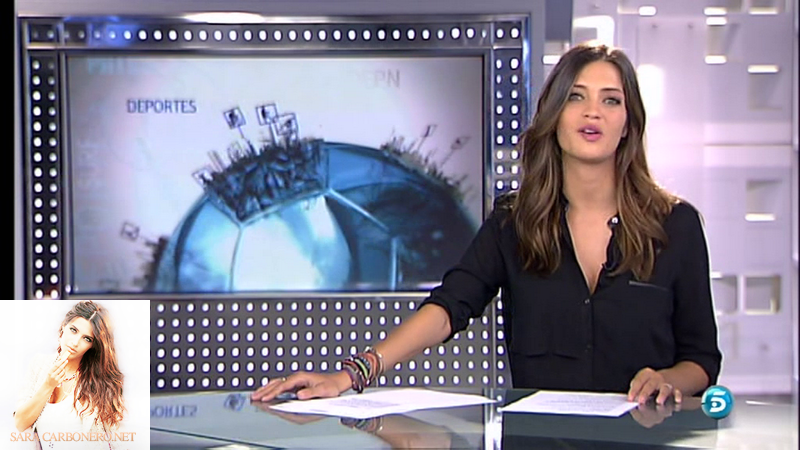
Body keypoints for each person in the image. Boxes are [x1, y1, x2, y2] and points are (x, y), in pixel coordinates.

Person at [251, 42, 722, 407]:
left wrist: (668, 380)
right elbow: (449, 307)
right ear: (554, 116)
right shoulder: (515, 223)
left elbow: (701, 359)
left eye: (611, 100)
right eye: (576, 97)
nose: (592, 112)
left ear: (629, 123)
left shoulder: (675, 225)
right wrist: (351, 375)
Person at [13, 300, 125, 449]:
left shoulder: (100, 381)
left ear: (93, 346)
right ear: (63, 326)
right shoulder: (39, 365)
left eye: (87, 338)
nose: (75, 342)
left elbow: (119, 441)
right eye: (73, 330)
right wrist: (48, 385)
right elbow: (20, 423)